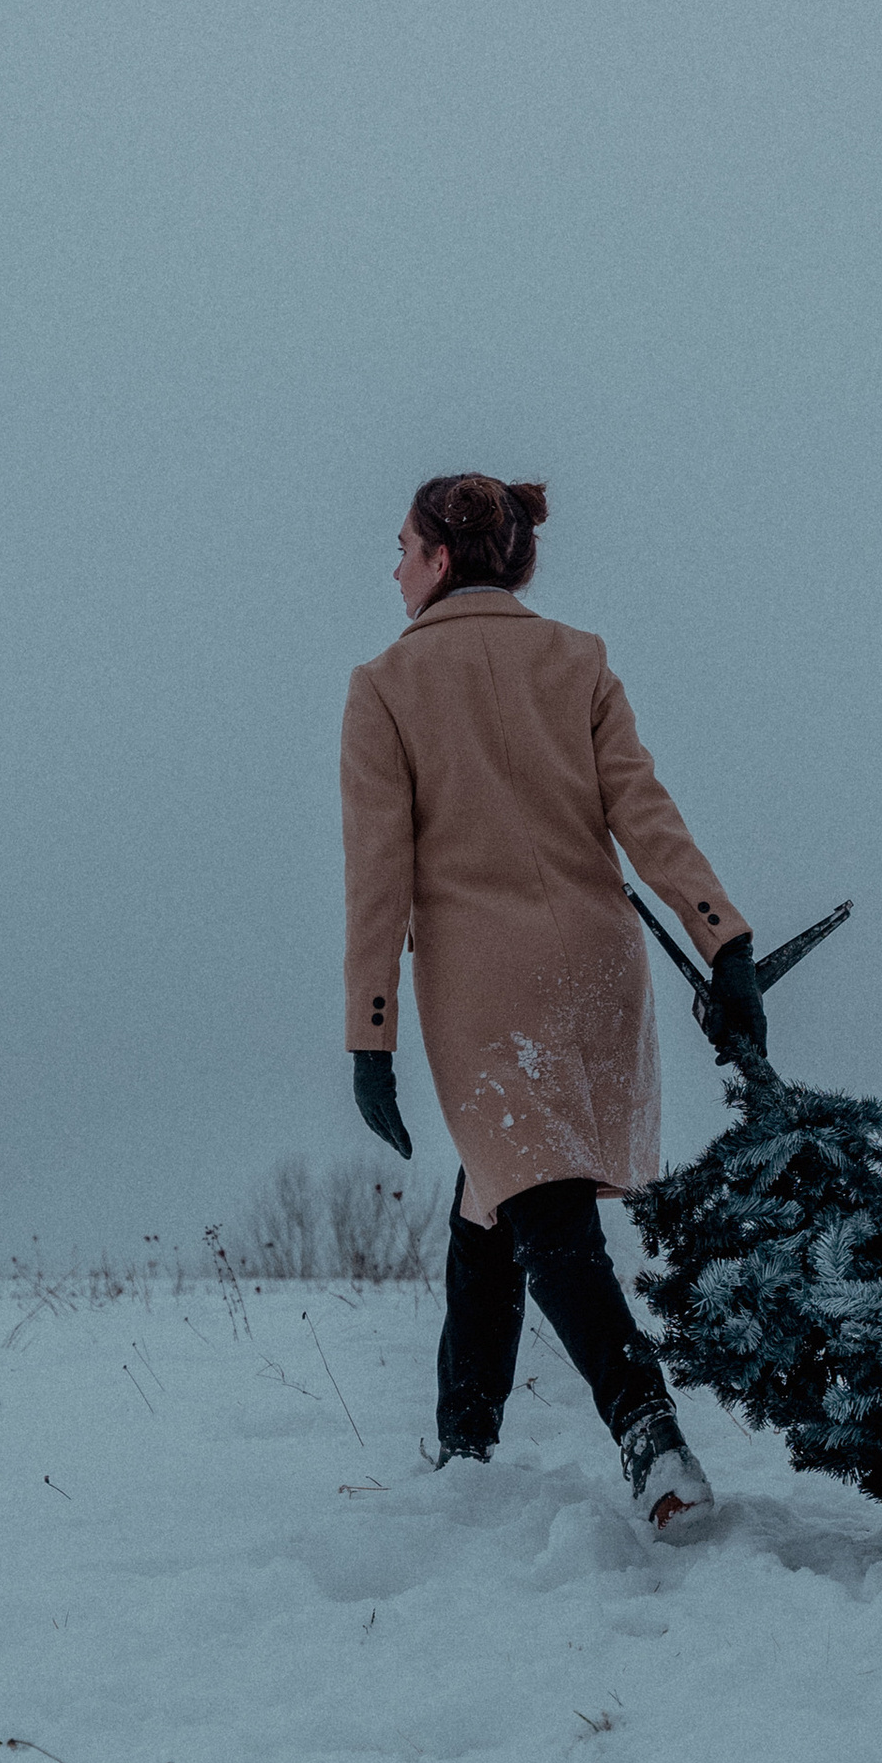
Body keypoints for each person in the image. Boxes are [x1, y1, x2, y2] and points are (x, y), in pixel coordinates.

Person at [339, 471, 767, 1535]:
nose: (390, 568)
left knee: (541, 1207)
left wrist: (371, 1036)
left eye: (400, 547)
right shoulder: (576, 658)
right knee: (495, 1203)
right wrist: (726, 941)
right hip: (594, 969)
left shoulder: (384, 686)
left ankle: (650, 1437)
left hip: (484, 984)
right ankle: (467, 1452)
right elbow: (644, 813)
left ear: (441, 559)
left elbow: (377, 879)